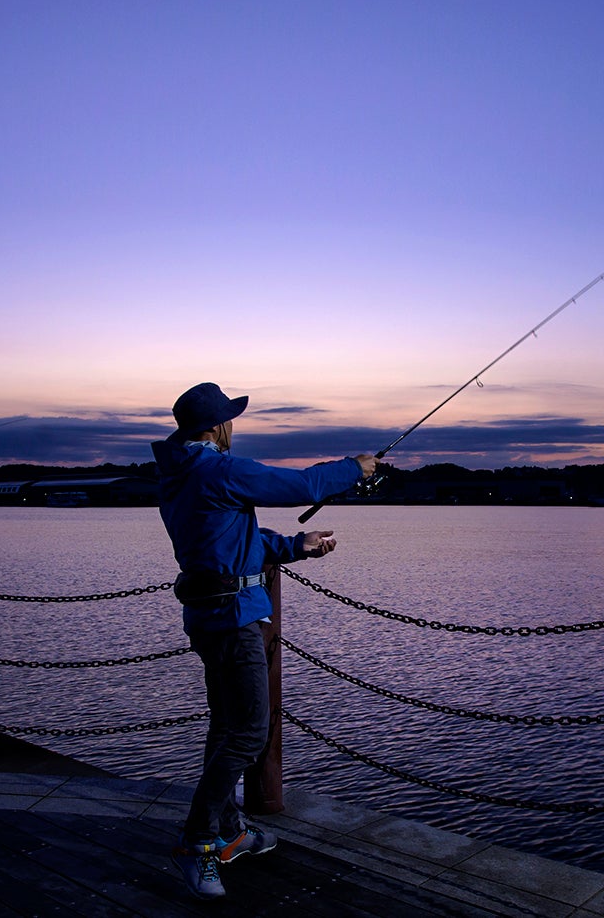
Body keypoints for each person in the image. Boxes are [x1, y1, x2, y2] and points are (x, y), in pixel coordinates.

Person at [151, 382, 376, 901]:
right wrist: (353, 468)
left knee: (227, 726)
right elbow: (297, 485)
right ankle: (198, 842)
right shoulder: (217, 469)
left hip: (211, 613)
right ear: (215, 427)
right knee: (249, 734)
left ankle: (229, 830)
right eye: (229, 419)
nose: (234, 427)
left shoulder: (182, 472)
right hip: (232, 619)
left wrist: (297, 545)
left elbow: (229, 541)